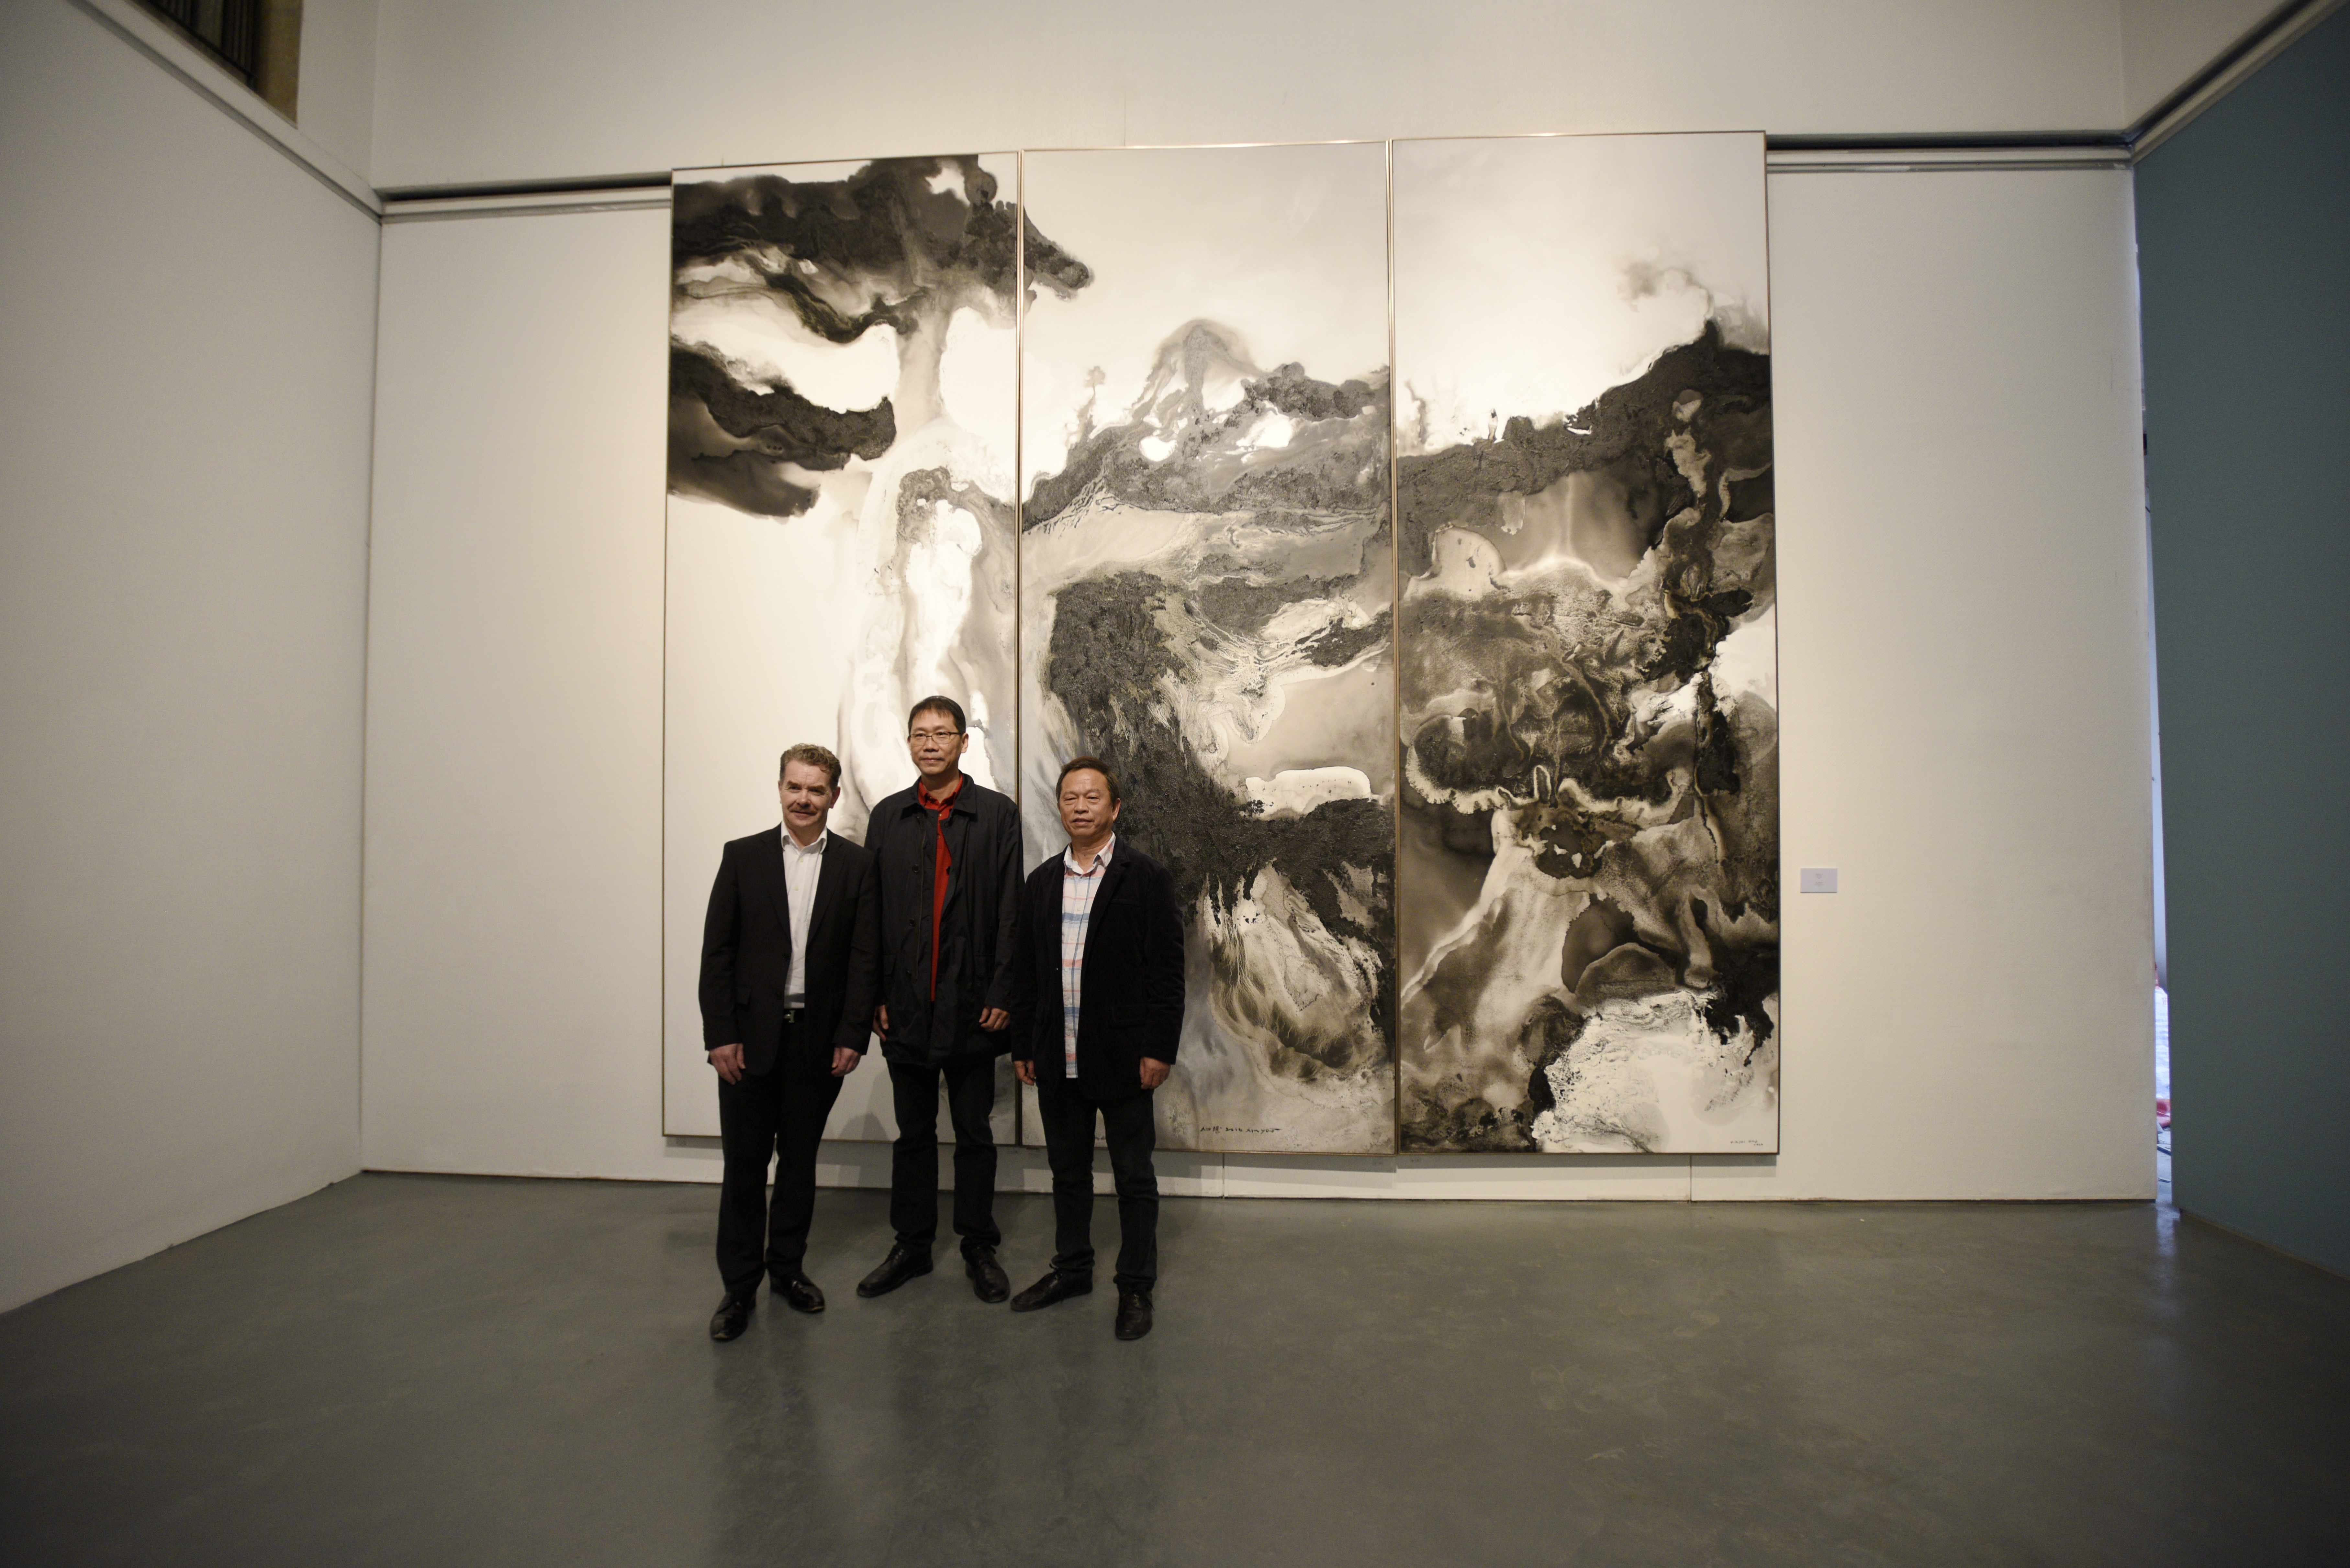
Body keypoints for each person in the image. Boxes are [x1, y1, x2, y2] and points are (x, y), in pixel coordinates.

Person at [699, 743, 880, 1342]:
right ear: (780, 788)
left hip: (817, 1041)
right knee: (745, 1167)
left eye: (816, 789)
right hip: (748, 1042)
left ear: (834, 796)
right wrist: (721, 1034)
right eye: (794, 787)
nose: (804, 799)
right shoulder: (742, 856)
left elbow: (864, 959)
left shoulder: (856, 866)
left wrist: (853, 1034)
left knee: (799, 1164)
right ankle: (738, 1287)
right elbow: (718, 953)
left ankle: (788, 1270)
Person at [1007, 756, 1185, 1340]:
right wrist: (1023, 1043)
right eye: (1070, 797)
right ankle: (1073, 1269)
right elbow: (1027, 973)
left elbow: (1168, 973)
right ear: (1060, 807)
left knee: (1134, 1176)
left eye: (1092, 797)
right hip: (1056, 1053)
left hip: (1125, 1056)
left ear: (1115, 807)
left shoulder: (1146, 877)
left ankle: (1135, 1285)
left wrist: (1160, 1049)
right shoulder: (1042, 882)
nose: (1080, 807)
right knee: (1068, 1173)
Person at [856, 695, 1023, 1304]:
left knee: (975, 1132)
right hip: (905, 1005)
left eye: (943, 733)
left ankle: (979, 1244)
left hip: (974, 1005)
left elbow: (1011, 910)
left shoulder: (998, 814)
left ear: (963, 743)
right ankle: (913, 1245)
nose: (931, 744)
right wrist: (874, 994)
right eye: (920, 734)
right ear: (909, 744)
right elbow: (871, 914)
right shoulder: (888, 816)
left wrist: (1003, 988)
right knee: (913, 1134)